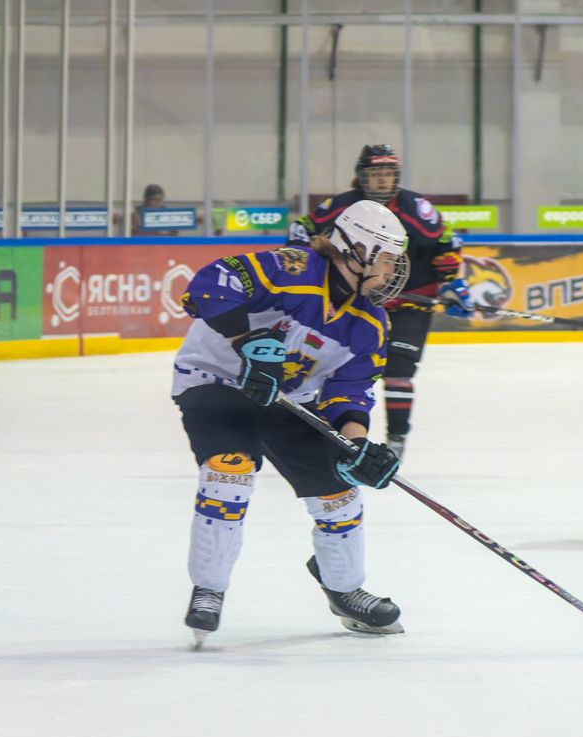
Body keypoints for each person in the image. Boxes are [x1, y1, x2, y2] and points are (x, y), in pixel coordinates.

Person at [173, 199, 409, 642]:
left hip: (288, 401)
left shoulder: (370, 323)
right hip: (216, 382)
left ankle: (344, 589)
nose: (393, 271)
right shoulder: (293, 268)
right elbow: (210, 284)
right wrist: (246, 342)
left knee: (340, 493)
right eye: (388, 259)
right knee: (229, 472)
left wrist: (356, 444)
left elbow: (350, 390)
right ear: (357, 250)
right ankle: (209, 589)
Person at [289, 144, 468, 459]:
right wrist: (303, 262)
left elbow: (446, 242)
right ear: (361, 177)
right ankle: (332, 431)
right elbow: (301, 229)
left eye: (387, 173)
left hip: (411, 302)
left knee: (399, 371)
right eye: (375, 174)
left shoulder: (416, 207)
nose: (382, 180)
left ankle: (396, 439)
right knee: (338, 368)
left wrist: (452, 281)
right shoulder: (343, 205)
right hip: (361, 302)